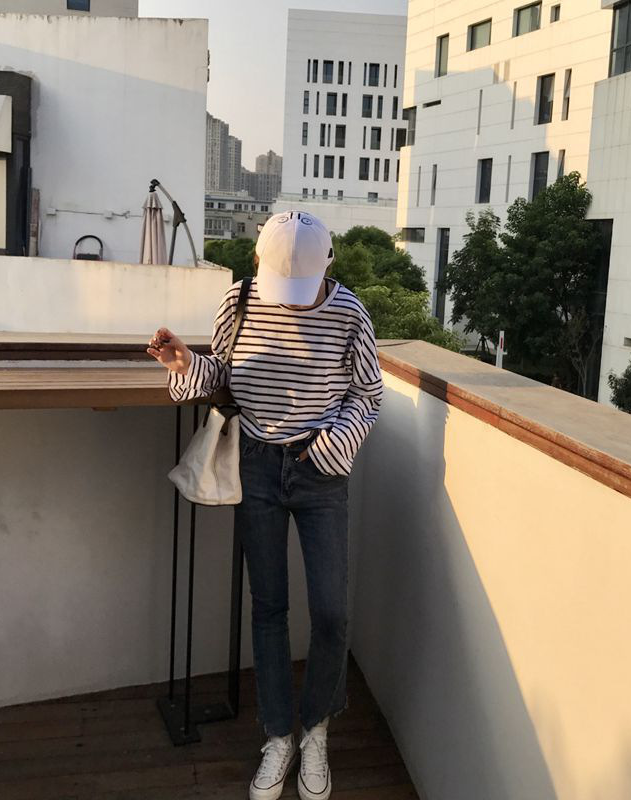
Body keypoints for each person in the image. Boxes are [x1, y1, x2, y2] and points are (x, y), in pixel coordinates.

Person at [147, 211, 383, 800]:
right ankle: (279, 735)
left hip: (321, 470)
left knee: (331, 612)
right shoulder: (240, 301)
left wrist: (336, 443)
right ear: (258, 263)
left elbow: (368, 392)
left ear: (328, 264)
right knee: (269, 606)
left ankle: (317, 729)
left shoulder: (350, 314)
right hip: (255, 464)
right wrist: (186, 365)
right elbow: (223, 375)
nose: (292, 301)